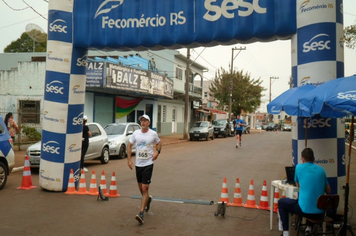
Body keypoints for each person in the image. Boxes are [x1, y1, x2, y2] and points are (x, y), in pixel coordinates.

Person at [278, 148, 331, 236]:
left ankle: (285, 232)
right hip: (320, 213)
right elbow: (328, 190)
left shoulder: (299, 167)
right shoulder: (322, 170)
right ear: (314, 158)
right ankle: (308, 228)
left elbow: (298, 186)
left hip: (304, 211)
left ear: (303, 158)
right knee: (312, 201)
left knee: (282, 202)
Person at [127, 114, 161, 224]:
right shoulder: (136, 133)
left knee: (145, 188)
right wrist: (129, 160)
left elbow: (159, 143)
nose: (143, 122)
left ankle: (141, 213)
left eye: (145, 120)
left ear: (149, 123)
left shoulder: (153, 134)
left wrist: (157, 152)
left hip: (148, 163)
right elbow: (129, 145)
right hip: (138, 164)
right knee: (141, 189)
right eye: (142, 120)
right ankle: (148, 199)